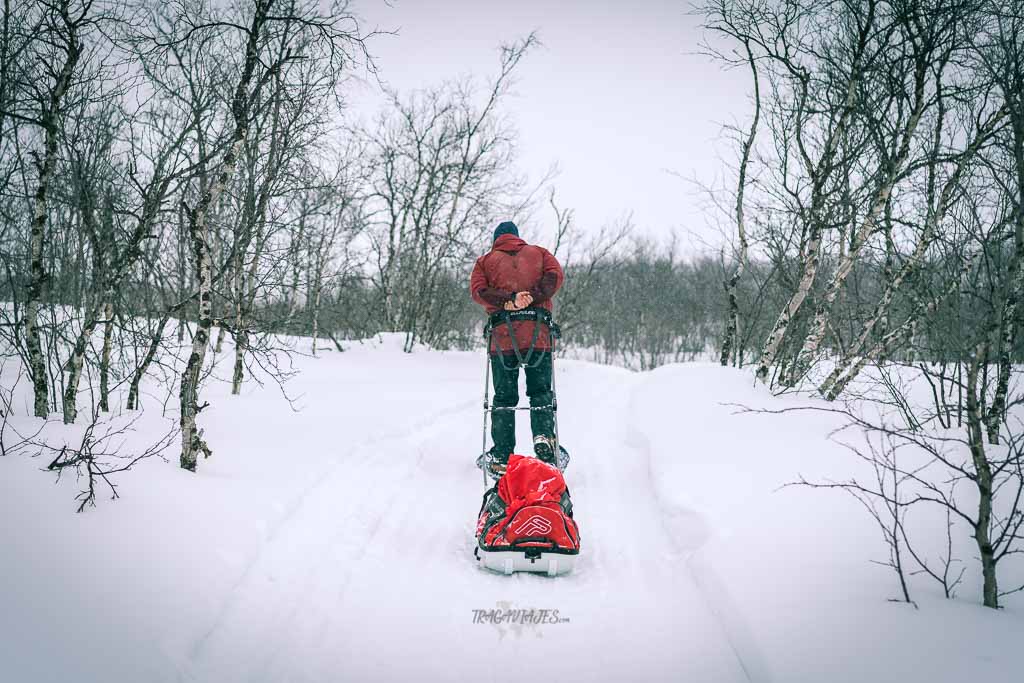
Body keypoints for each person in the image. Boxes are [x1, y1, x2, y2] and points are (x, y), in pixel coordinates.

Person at [470, 220, 564, 476]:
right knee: (541, 392)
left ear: (496, 239)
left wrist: (508, 300)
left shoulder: (485, 262)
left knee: (503, 398)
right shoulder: (540, 254)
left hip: (503, 339)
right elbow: (555, 276)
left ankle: (501, 455)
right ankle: (545, 443)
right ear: (517, 237)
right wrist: (533, 296)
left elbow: (478, 291)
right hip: (538, 336)